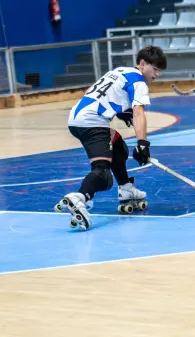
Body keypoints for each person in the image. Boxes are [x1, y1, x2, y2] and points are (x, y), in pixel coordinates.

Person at [54, 46, 167, 231]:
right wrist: (142, 144)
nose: (157, 74)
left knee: (118, 146)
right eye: (154, 69)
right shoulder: (139, 83)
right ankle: (79, 197)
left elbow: (98, 92)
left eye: (159, 71)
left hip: (77, 117)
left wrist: (121, 112)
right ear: (142, 64)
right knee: (103, 174)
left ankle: (126, 188)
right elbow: (138, 112)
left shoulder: (119, 71)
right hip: (92, 121)